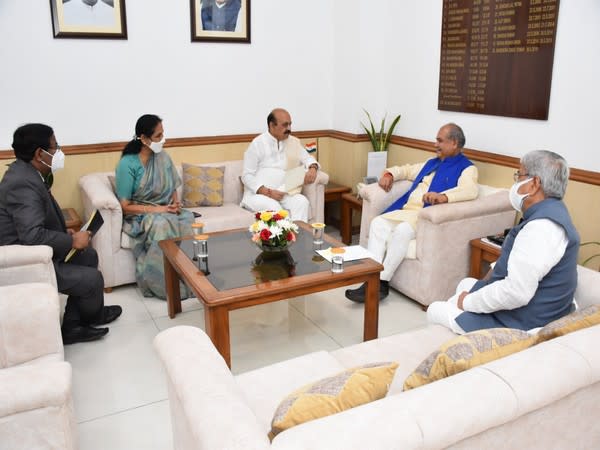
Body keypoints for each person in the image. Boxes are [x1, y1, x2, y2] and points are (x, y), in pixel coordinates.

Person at [427, 150, 580, 334]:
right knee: (465, 284)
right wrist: (473, 294)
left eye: (519, 175)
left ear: (534, 184)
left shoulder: (541, 228)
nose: (515, 183)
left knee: (435, 309)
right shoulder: (553, 212)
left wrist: (467, 302)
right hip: (533, 308)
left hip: (524, 323)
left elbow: (516, 293)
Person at [0, 123, 121, 345]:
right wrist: (72, 240)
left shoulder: (26, 172)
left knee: (89, 256)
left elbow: (33, 222)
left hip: (40, 252)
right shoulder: (22, 183)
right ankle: (79, 325)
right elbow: (31, 236)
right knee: (93, 279)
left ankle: (82, 319)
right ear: (39, 153)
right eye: (55, 147)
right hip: (27, 262)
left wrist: (63, 232)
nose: (58, 152)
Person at [345, 123, 478, 303]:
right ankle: (371, 277)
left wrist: (444, 197)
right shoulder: (432, 163)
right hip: (406, 211)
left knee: (403, 231)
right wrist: (390, 174)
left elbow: (470, 191)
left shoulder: (467, 168)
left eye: (440, 141)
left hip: (425, 216)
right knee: (377, 223)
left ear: (454, 143)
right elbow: (407, 170)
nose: (435, 144)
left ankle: (380, 283)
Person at [115, 114, 194, 299]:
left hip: (166, 210)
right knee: (161, 224)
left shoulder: (163, 156)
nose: (163, 139)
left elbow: (173, 185)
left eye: (163, 134)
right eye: (158, 136)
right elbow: (125, 206)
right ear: (143, 138)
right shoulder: (128, 164)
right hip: (140, 214)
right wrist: (160, 210)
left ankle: (189, 277)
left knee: (187, 219)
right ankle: (162, 283)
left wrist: (174, 203)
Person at [241, 108, 320, 222]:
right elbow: (247, 176)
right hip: (257, 195)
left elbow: (308, 158)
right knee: (275, 208)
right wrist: (268, 192)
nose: (289, 129)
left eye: (290, 124)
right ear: (272, 125)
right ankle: (285, 238)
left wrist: (313, 168)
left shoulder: (293, 142)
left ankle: (300, 237)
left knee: (302, 202)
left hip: (283, 193)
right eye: (285, 125)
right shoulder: (257, 144)